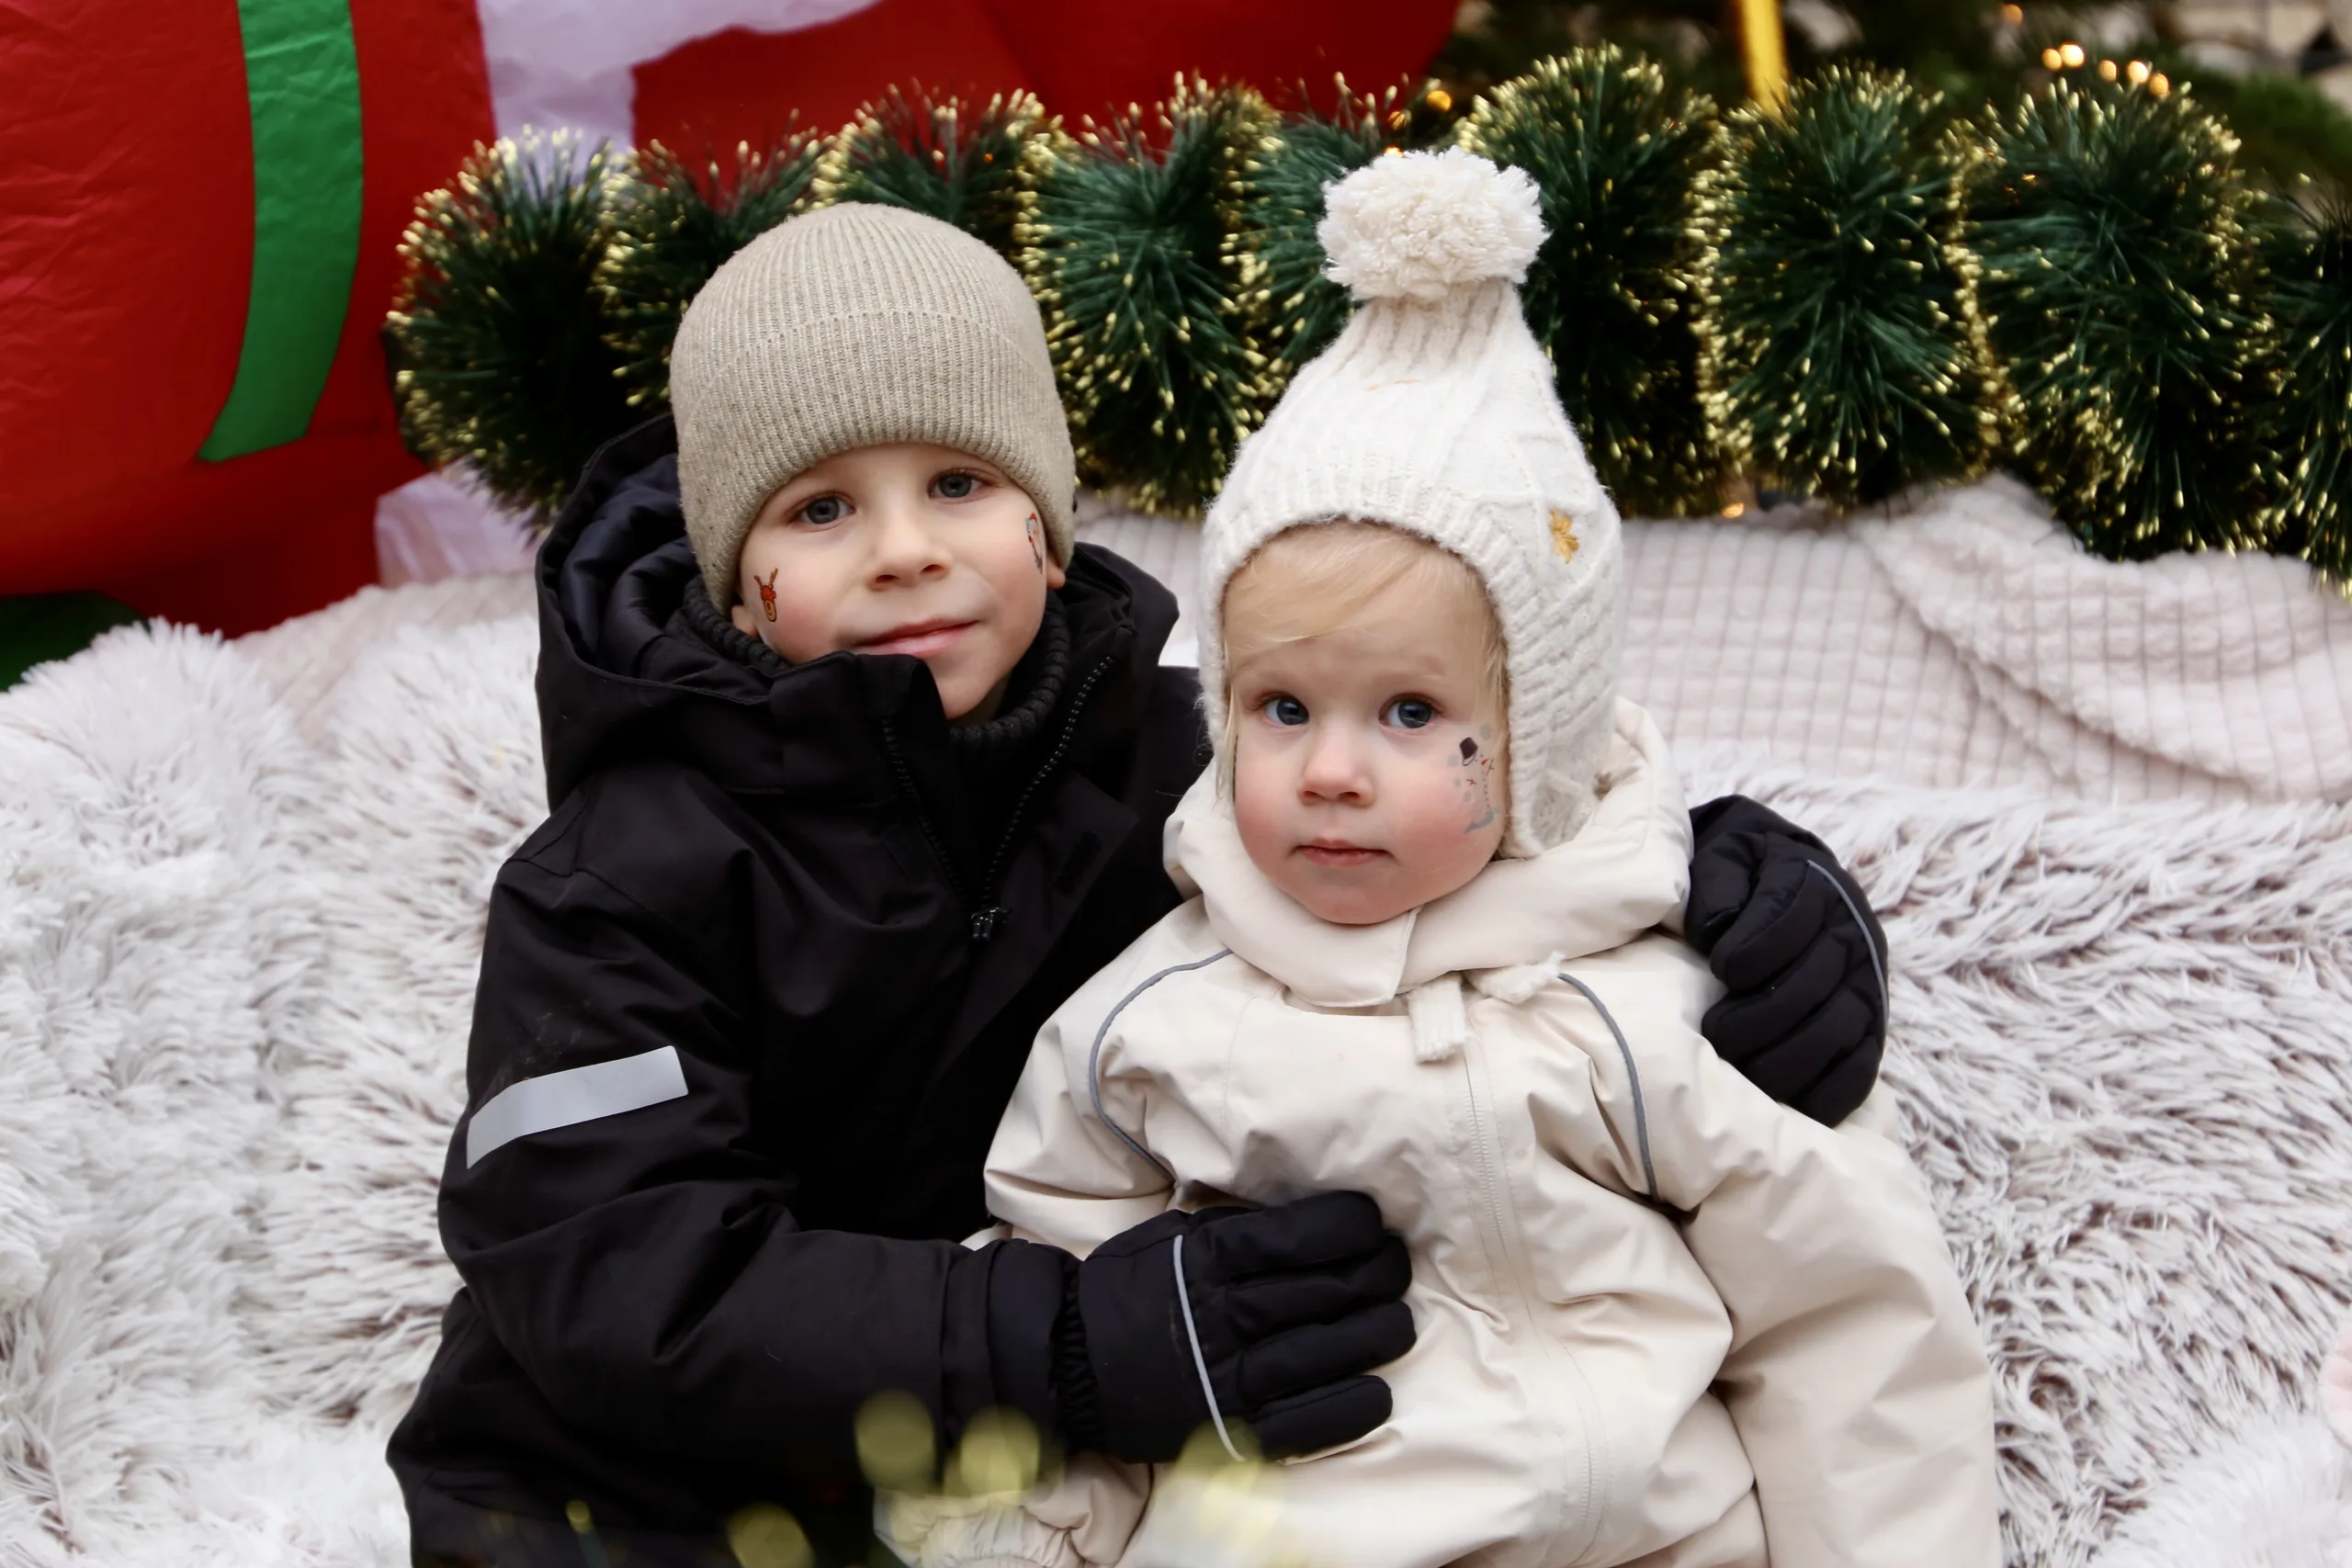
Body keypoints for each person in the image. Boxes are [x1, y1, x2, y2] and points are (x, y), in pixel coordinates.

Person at [388, 197, 1898, 1568]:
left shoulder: (1191, 762)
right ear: (737, 580)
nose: (906, 549)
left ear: (1049, 533)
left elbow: (1464, 806)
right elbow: (615, 1276)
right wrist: (1059, 1345)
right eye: (822, 509)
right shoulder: (611, 879)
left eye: (960, 480)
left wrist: (1739, 879)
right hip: (632, 1495)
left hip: (1022, 1494)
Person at [885, 150, 1999, 1568]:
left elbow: (1852, 1325)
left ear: (1531, 738)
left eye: (1411, 713)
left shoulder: (1652, 1008)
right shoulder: (1149, 1023)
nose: (1333, 767)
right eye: (1283, 708)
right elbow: (1055, 1324)